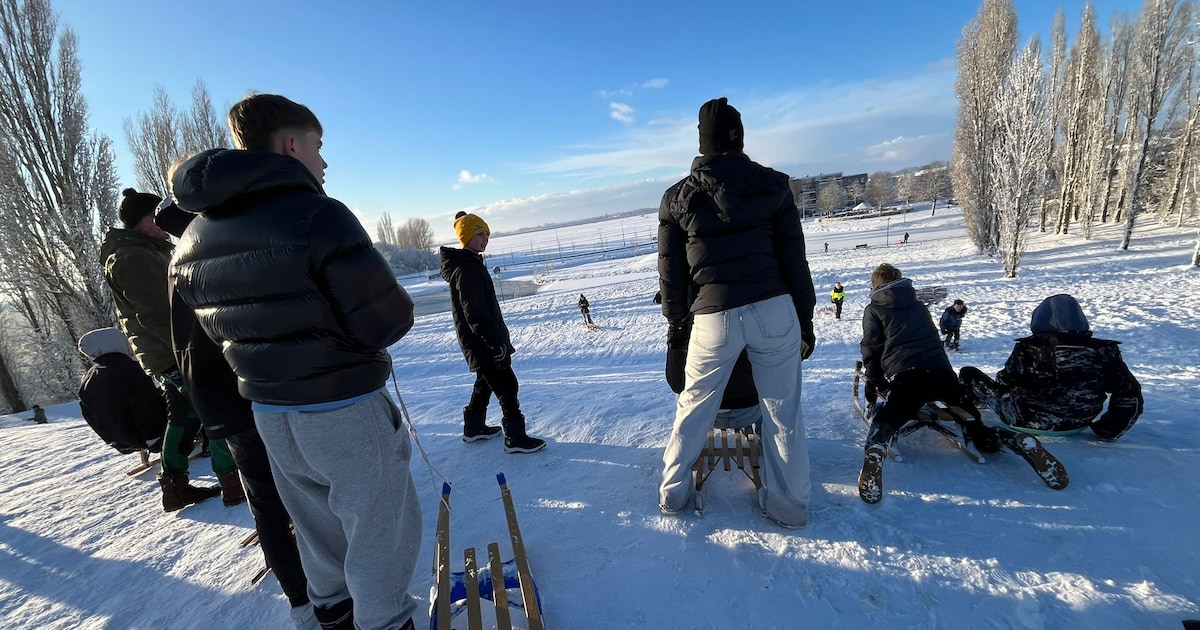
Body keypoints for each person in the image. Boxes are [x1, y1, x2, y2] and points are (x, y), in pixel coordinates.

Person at [169, 94, 422, 630]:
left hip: (269, 412)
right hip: (342, 407)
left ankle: (333, 617)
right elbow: (386, 321)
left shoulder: (191, 237)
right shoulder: (318, 214)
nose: (324, 162)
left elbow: (208, 334)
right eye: (318, 146)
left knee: (316, 533)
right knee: (379, 531)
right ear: (290, 145)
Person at [657, 97, 816, 528]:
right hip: (774, 307)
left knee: (693, 409)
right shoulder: (773, 185)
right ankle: (789, 507)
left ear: (703, 143)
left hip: (713, 315)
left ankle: (673, 495)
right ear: (739, 138)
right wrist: (805, 320)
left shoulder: (677, 198)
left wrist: (677, 323)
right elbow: (795, 262)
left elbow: (671, 274)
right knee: (783, 414)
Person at [155, 200, 311, 627]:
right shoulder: (208, 256)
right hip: (250, 391)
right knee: (294, 486)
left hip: (218, 396)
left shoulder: (177, 263)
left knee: (265, 495)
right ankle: (316, 586)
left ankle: (299, 595)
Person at [101, 187, 235, 511]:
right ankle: (232, 479)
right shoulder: (132, 257)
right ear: (140, 220)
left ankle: (174, 485)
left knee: (185, 412)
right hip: (172, 349)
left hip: (171, 347)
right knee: (213, 406)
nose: (161, 222)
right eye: (154, 216)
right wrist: (188, 350)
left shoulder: (149, 249)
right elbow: (155, 315)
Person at [858, 264, 997, 503]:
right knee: (962, 405)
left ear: (875, 284)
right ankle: (987, 435)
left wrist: (874, 379)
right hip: (940, 370)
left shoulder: (874, 309)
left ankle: (877, 444)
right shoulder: (918, 305)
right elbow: (932, 337)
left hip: (906, 373)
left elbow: (872, 346)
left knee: (893, 412)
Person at [959, 293, 1143, 441]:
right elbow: (1129, 392)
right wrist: (1109, 429)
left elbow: (1006, 381)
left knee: (969, 373)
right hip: (1079, 423)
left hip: (1026, 420)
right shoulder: (1104, 351)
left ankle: (971, 407)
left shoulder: (1029, 348)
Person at [440, 212, 547, 453]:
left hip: (483, 339)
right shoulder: (467, 269)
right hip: (482, 341)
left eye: (487, 235)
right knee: (507, 385)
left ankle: (473, 427)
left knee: (485, 381)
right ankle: (515, 438)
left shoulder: (471, 264)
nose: (485, 239)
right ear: (466, 237)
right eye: (480, 234)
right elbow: (474, 313)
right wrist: (494, 342)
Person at [77, 327, 168, 454]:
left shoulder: (88, 379)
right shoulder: (130, 370)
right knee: (175, 392)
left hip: (121, 441)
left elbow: (89, 416)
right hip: (149, 437)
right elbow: (145, 406)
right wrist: (154, 440)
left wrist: (114, 442)